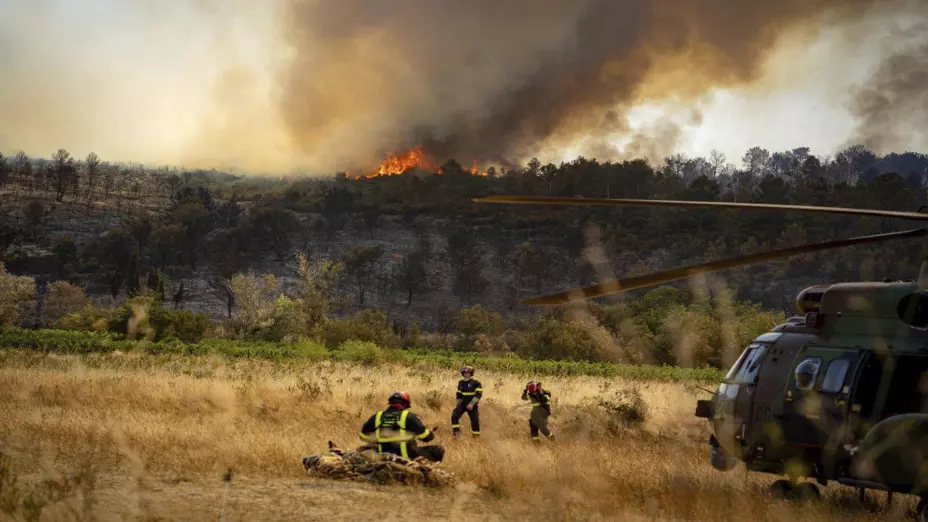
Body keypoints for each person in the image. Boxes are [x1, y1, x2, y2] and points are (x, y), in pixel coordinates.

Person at [359, 391, 445, 462]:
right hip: (406, 457)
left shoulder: (378, 416)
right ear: (405, 404)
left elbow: (363, 436)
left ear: (390, 403)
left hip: (383, 456)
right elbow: (426, 437)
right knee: (438, 450)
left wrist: (378, 439)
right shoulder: (408, 416)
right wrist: (428, 432)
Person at [451, 365, 482, 437]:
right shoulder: (460, 382)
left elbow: (478, 395)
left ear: (471, 373)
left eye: (467, 372)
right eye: (464, 372)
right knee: (454, 416)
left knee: (475, 421)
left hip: (472, 406)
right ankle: (456, 433)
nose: (465, 374)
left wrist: (472, 404)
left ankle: (476, 437)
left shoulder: (476, 383)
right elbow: (459, 395)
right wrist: (458, 405)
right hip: (463, 404)